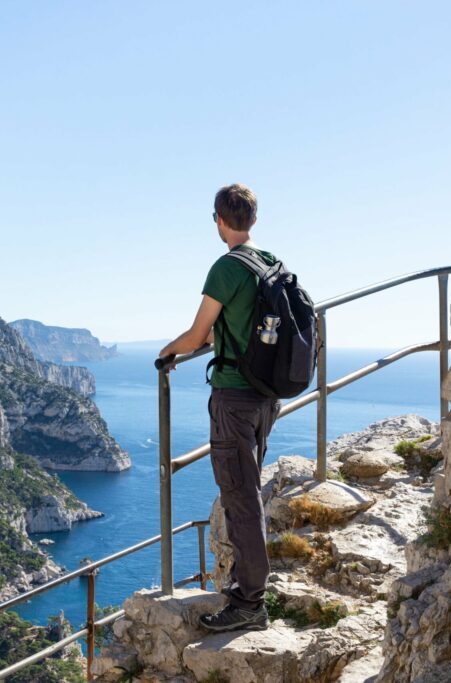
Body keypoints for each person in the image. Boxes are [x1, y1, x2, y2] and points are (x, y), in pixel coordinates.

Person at [158, 183, 282, 633]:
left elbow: (198, 335)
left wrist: (167, 352)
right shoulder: (271, 263)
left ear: (219, 220)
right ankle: (249, 588)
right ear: (253, 218)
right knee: (247, 491)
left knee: (240, 498)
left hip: (234, 397)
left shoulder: (227, 268)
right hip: (267, 396)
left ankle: (249, 601)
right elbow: (235, 330)